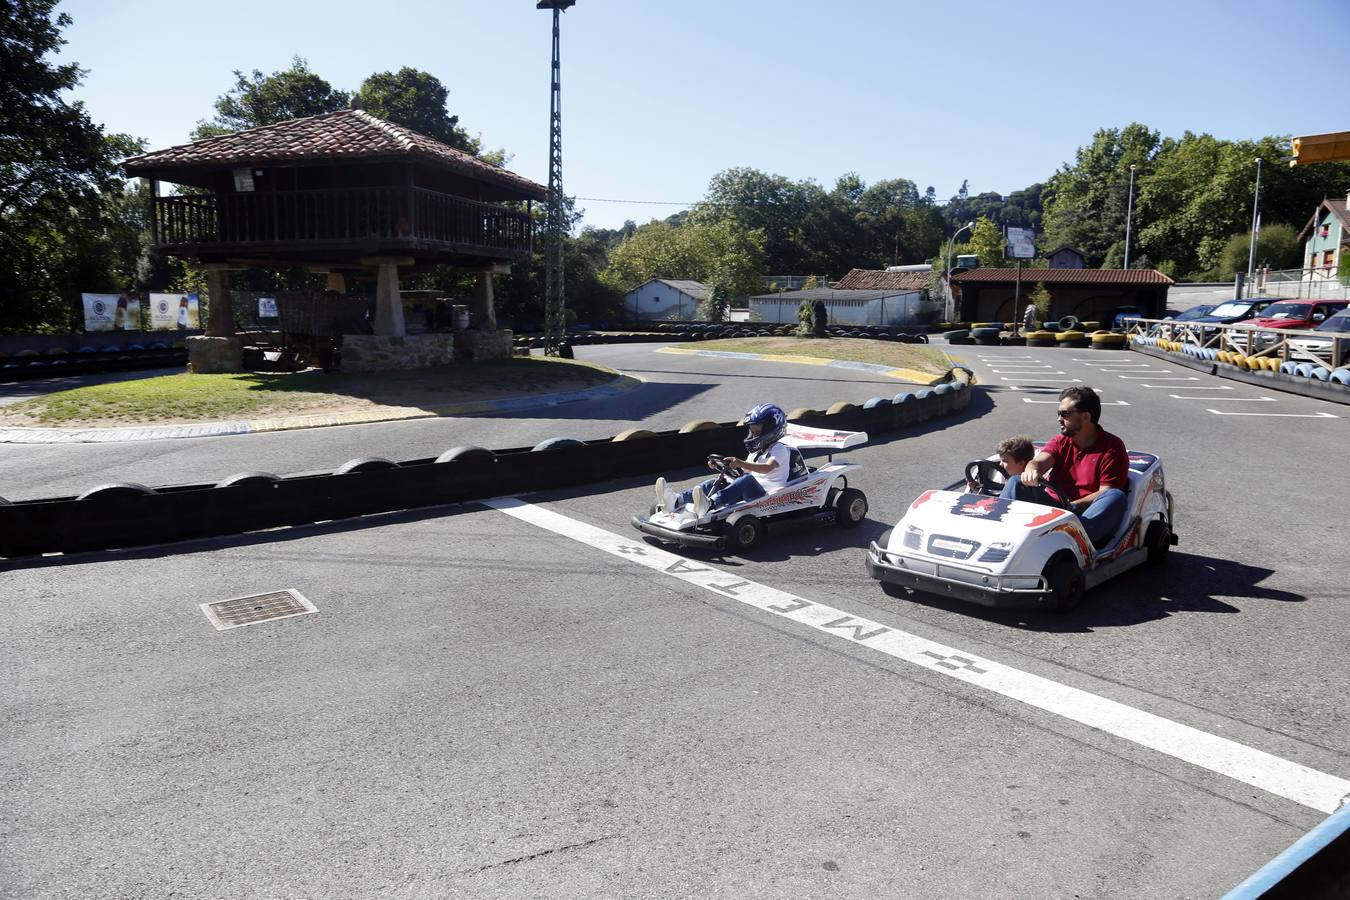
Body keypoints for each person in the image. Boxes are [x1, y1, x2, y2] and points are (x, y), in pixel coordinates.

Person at [999, 386, 1129, 547]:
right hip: (1054, 508)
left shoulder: (1112, 447)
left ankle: (1071, 541)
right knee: (1016, 481)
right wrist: (1031, 469)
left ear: (1086, 417)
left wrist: (1073, 505)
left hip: (1084, 515)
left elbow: (1105, 492)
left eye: (1065, 414)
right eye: (1058, 413)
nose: (1059, 419)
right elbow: (1039, 462)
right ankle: (1000, 532)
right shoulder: (1061, 441)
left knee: (1116, 496)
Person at [657, 403, 791, 516]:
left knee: (747, 479)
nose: (753, 434)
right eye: (752, 430)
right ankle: (676, 500)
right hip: (750, 491)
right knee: (715, 482)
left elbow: (767, 468)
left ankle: (711, 504)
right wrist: (722, 466)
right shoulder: (757, 452)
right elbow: (742, 471)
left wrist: (740, 462)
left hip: (767, 496)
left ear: (771, 429)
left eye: (757, 430)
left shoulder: (779, 449)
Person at [966, 435, 1034, 493]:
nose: (1000, 465)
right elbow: (991, 494)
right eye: (1001, 460)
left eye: (1005, 461)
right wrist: (977, 489)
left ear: (1021, 463)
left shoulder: (1033, 480)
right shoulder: (997, 475)